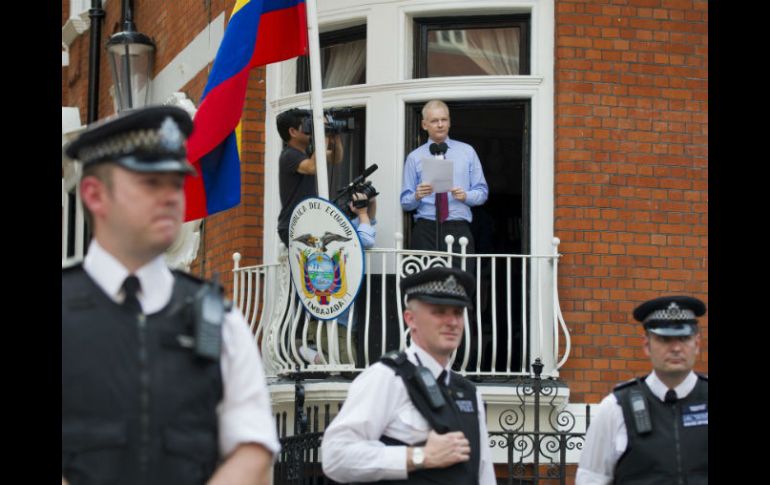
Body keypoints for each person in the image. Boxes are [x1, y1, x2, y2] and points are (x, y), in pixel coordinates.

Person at [62, 106, 280, 485]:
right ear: (95, 194)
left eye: (175, 183)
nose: (170, 197)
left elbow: (253, 452)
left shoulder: (218, 318)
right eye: (150, 183)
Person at [321, 266, 496, 484]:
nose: (452, 322)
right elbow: (335, 456)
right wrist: (419, 456)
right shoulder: (386, 378)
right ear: (410, 319)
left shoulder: (469, 392)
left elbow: (483, 473)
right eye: (439, 312)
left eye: (458, 313)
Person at [576, 296, 708, 485]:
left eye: (684, 337)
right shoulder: (616, 408)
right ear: (646, 345)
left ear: (697, 343)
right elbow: (591, 479)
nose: (676, 348)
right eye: (665, 339)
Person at [400, 100, 488, 255]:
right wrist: (417, 195)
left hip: (458, 227)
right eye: (434, 121)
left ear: (449, 122)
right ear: (424, 125)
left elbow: (482, 193)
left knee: (461, 278)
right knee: (426, 280)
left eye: (444, 120)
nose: (440, 124)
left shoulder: (467, 152)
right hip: (426, 228)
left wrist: (465, 196)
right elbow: (405, 203)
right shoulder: (414, 157)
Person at [300, 192, 377, 366]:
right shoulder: (326, 235)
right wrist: (362, 213)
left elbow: (368, 224)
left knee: (347, 361)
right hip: (335, 317)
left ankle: (310, 352)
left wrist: (368, 205)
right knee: (347, 364)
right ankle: (310, 353)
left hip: (340, 315)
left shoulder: (338, 230)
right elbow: (366, 239)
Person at [276, 108, 343, 246]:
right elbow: (312, 167)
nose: (312, 130)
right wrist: (322, 132)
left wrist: (334, 135)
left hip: (305, 222)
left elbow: (337, 158)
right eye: (307, 125)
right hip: (293, 224)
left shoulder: (306, 154)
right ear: (293, 132)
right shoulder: (289, 155)